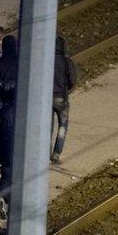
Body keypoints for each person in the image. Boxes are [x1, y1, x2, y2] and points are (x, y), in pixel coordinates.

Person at [0, 35, 18, 220]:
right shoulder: (22, 63)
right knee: (12, 169)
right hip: (13, 129)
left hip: (1, 113)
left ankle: (5, 194)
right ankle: (3, 194)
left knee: (6, 165)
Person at [51, 35, 77, 164]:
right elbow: (73, 81)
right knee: (63, 125)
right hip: (61, 97)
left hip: (47, 98)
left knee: (47, 126)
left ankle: (44, 151)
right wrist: (66, 89)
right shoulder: (67, 62)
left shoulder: (47, 60)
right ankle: (56, 153)